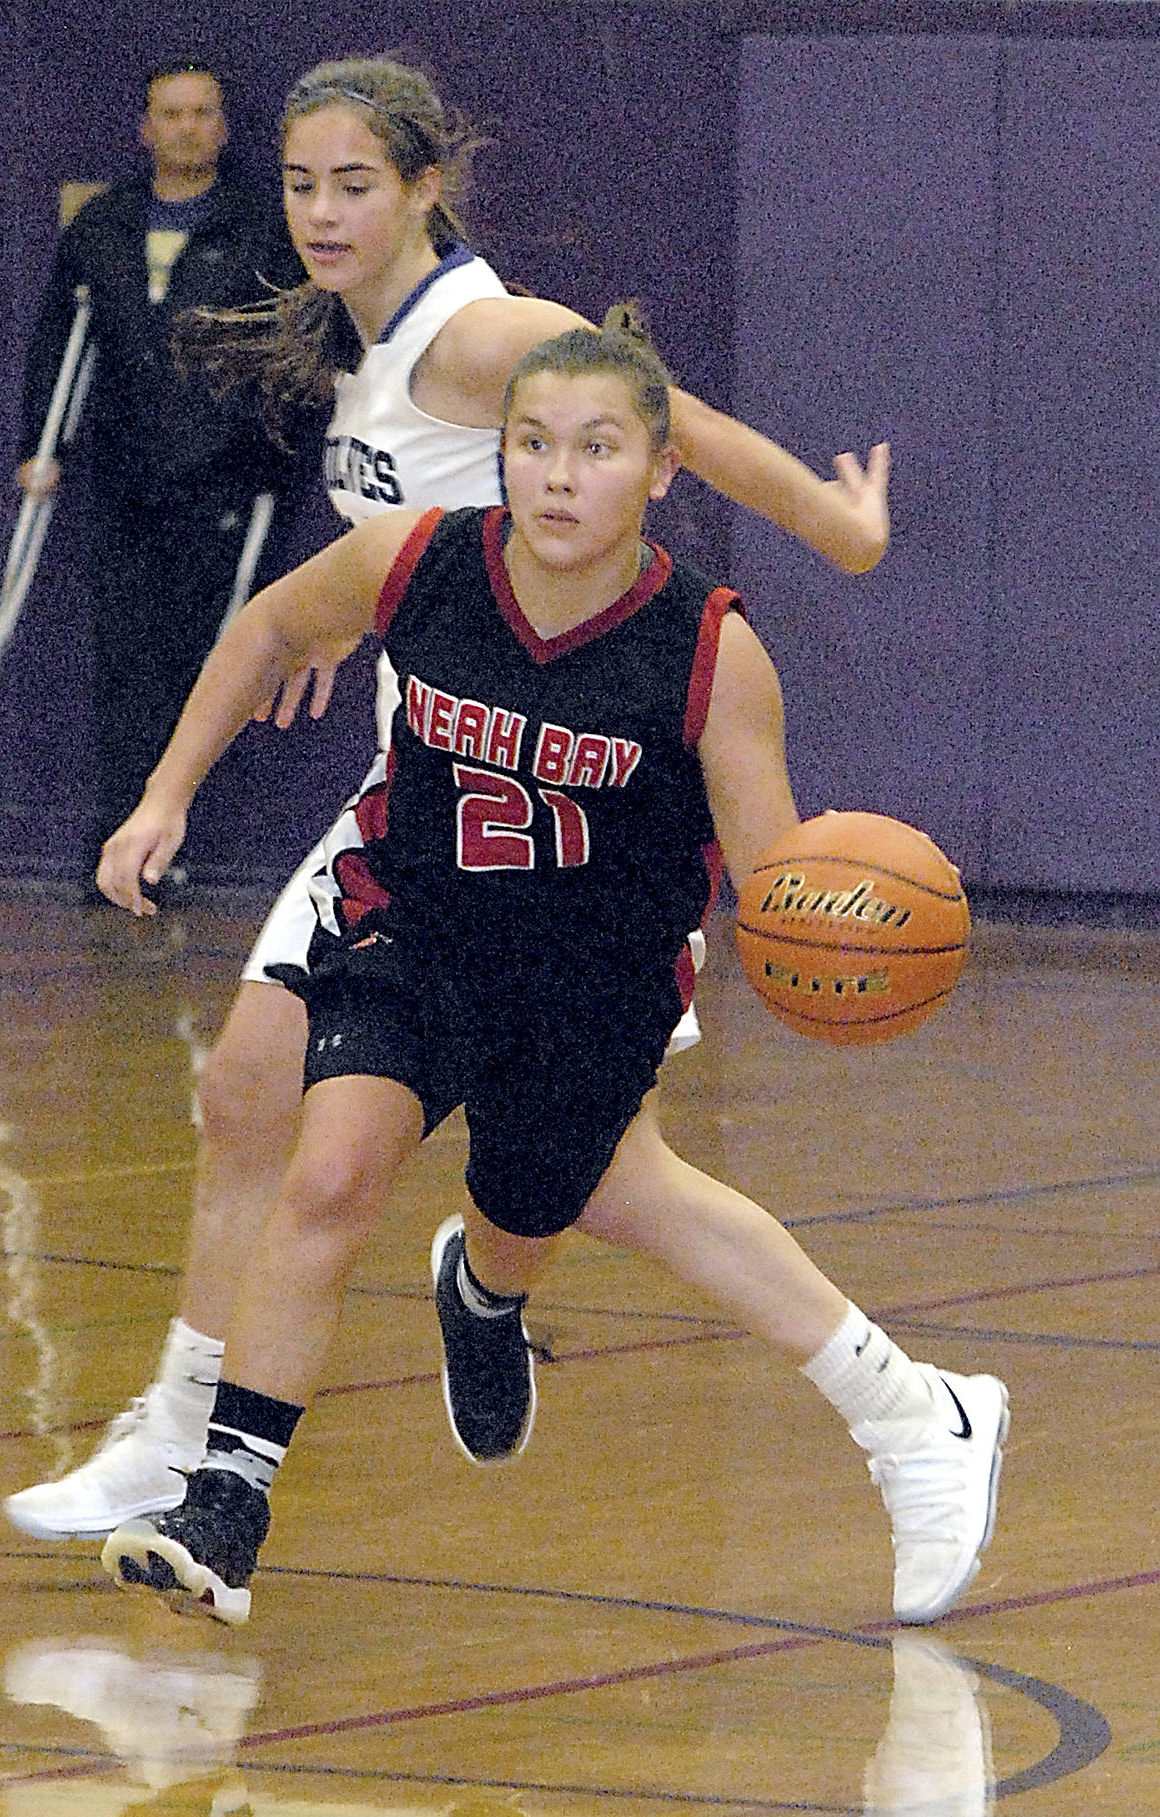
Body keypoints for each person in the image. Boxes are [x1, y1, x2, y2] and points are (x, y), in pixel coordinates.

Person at [3, 55, 892, 1544]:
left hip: (540, 818)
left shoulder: (485, 336)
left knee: (600, 1180)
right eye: (299, 184)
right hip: (430, 780)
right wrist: (348, 619)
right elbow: (424, 531)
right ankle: (195, 1430)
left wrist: (835, 527)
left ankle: (893, 1403)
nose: (322, 211)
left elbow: (679, 426)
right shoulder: (362, 338)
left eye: (356, 183)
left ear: (425, 186)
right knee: (253, 1099)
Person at [92, 315, 1007, 1629]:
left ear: (659, 470)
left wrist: (841, 929)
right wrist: (164, 796)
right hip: (416, 920)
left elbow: (773, 874)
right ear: (499, 454)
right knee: (333, 1167)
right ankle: (227, 1503)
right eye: (531, 444)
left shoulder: (709, 648)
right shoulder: (422, 559)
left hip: (595, 974)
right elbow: (269, 629)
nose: (558, 474)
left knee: (563, 1204)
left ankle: (503, 1293)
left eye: (595, 447)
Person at [15, 57, 310, 867]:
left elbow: (291, 351)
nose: (185, 127)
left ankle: (173, 840)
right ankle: (120, 836)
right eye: (170, 113)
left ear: (223, 126)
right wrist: (41, 447)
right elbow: (56, 345)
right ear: (146, 127)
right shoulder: (102, 226)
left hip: (219, 475)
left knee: (199, 658)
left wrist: (275, 453)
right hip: (122, 475)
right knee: (123, 663)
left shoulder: (260, 227)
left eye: (202, 113)